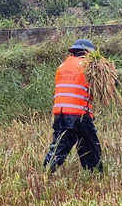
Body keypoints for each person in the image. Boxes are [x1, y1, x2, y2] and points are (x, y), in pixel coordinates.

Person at [44, 39, 104, 173]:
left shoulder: (62, 67)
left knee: (59, 147)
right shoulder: (89, 66)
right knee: (90, 147)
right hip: (79, 115)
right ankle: (95, 173)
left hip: (60, 114)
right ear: (87, 53)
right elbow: (100, 87)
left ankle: (46, 172)